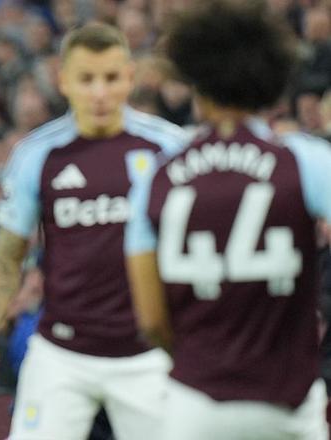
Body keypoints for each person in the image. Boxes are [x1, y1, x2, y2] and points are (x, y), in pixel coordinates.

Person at [0, 23, 186, 439]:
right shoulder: (36, 154)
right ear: (64, 81)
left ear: (130, 77)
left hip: (149, 354)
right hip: (61, 353)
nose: (99, 92)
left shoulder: (169, 148)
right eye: (86, 79)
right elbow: (9, 257)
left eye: (111, 78)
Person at [124, 1, 331, 439]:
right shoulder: (306, 161)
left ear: (196, 84)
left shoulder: (156, 178)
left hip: (195, 400)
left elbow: (151, 320)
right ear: (271, 82)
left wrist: (198, 358)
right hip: (288, 398)